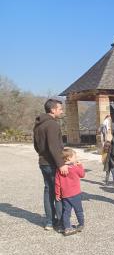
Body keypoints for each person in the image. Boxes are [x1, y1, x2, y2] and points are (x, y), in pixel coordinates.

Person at [33, 99, 69, 231]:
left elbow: (36, 146)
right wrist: (61, 164)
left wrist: (43, 155)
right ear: (53, 110)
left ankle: (49, 222)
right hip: (53, 164)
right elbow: (54, 147)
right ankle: (60, 223)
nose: (62, 111)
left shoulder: (38, 125)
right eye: (60, 109)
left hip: (43, 162)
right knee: (58, 192)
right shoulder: (52, 125)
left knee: (48, 191)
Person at [55, 149, 85, 236]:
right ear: (69, 158)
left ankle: (67, 227)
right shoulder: (75, 168)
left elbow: (57, 183)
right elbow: (82, 174)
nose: (76, 158)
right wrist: (80, 165)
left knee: (66, 212)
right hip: (76, 194)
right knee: (78, 210)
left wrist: (57, 194)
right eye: (75, 157)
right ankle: (81, 224)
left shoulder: (59, 170)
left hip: (65, 195)